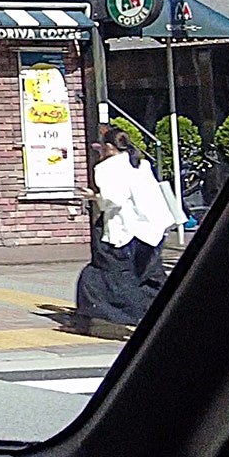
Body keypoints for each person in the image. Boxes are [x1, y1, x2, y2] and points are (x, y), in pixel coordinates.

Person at [75, 130, 178, 329]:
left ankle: (121, 315)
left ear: (108, 147)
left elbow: (113, 199)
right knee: (149, 273)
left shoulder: (107, 167)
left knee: (110, 273)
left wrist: (94, 196)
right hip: (154, 227)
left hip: (126, 230)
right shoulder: (141, 163)